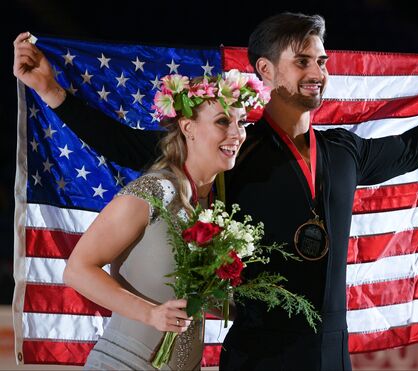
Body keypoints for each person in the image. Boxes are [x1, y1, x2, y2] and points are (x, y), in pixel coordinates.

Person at [13, 11, 418, 370]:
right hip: (257, 355)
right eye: (303, 61)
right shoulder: (232, 149)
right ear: (265, 72)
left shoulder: (343, 151)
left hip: (332, 355)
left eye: (322, 60)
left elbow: (411, 148)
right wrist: (53, 92)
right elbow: (128, 145)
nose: (318, 72)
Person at [14, 31, 270, 370]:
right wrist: (150, 313)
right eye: (223, 121)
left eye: (241, 122)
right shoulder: (153, 190)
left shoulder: (215, 206)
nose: (237, 134)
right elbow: (77, 271)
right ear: (187, 126)